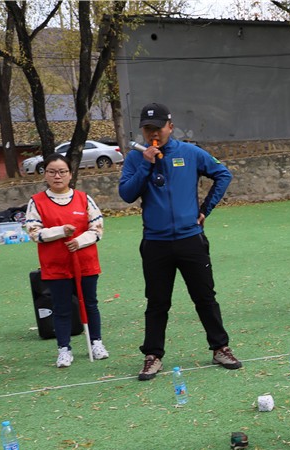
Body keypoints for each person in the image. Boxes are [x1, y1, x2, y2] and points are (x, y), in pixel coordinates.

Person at [119, 102, 242, 380]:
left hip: (190, 239)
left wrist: (205, 210)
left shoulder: (190, 153)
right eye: (148, 129)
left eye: (158, 128)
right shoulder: (136, 158)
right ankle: (153, 356)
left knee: (205, 297)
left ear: (170, 127)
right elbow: (126, 194)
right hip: (155, 242)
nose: (153, 134)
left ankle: (220, 348)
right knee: (157, 302)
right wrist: (146, 165)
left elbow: (223, 174)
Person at [24, 154, 108, 368]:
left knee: (90, 304)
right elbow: (34, 232)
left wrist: (79, 241)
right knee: (61, 308)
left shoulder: (84, 198)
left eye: (62, 171)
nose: (57, 176)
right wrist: (60, 232)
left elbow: (97, 228)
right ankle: (64, 349)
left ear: (70, 174)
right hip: (56, 265)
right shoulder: (37, 202)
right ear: (45, 175)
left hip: (85, 262)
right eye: (52, 172)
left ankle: (96, 342)